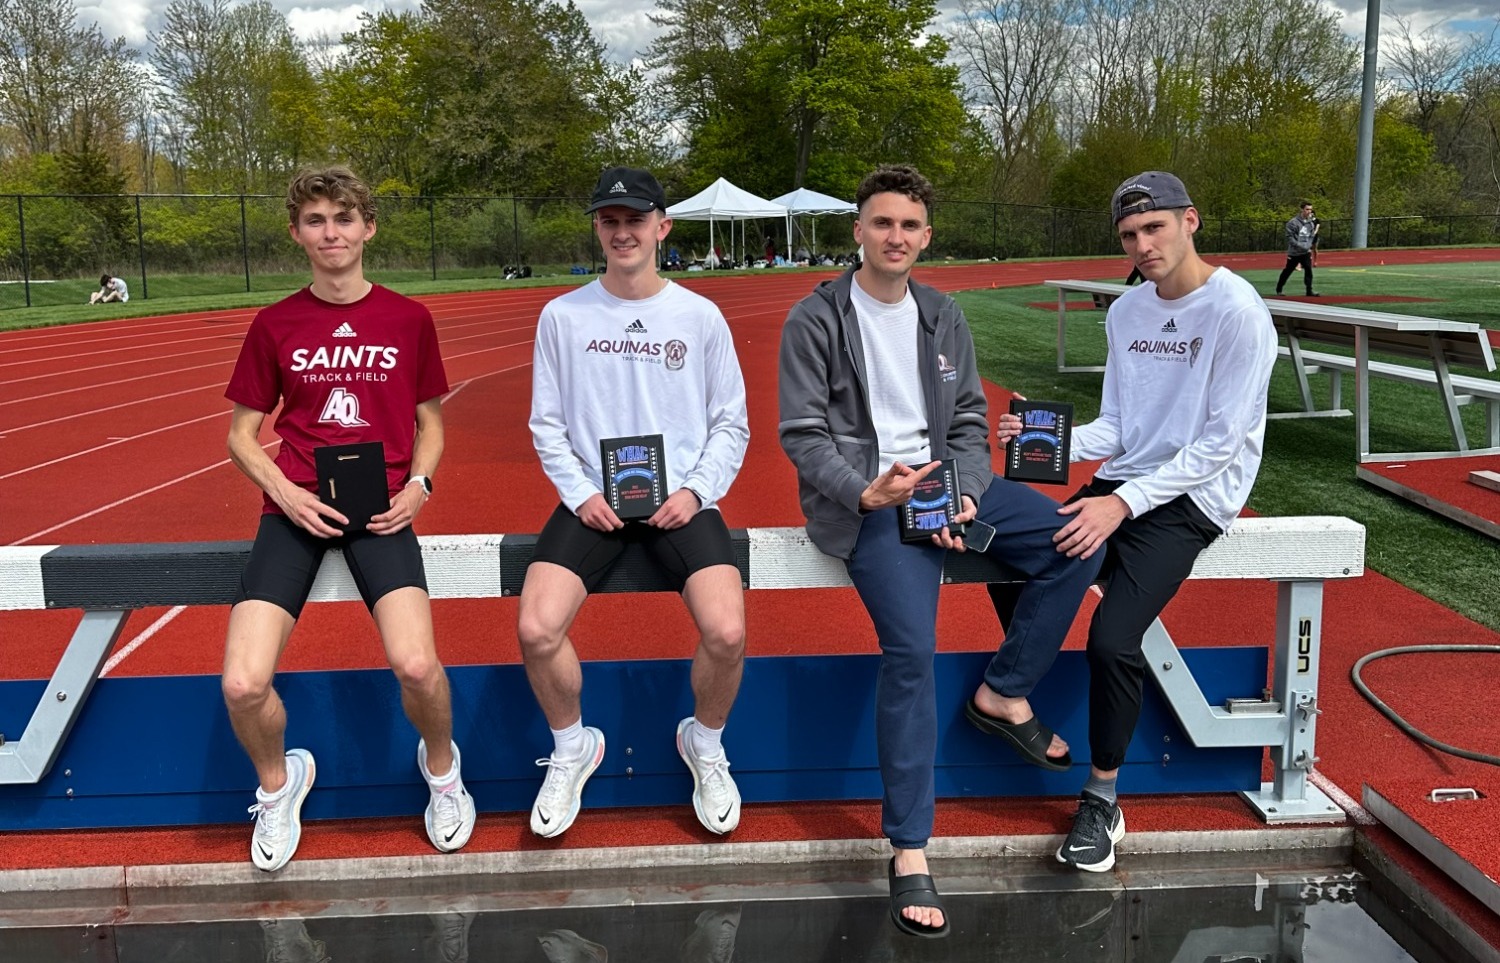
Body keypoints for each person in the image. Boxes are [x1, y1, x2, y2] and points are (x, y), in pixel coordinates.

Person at [777, 164, 1100, 939]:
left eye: (910, 226)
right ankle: (910, 849)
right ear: (857, 230)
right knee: (912, 652)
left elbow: (965, 419)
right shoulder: (814, 320)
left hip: (945, 486)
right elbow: (803, 433)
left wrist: (960, 490)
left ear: (927, 235)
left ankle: (1004, 689)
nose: (896, 237)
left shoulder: (941, 312)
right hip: (870, 503)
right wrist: (866, 491)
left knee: (1077, 536)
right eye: (882, 222)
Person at [989, 171, 1276, 873]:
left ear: (1191, 220)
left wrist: (1121, 504)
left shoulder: (1238, 311)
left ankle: (1102, 797)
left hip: (1195, 495)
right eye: (1129, 235)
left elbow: (1219, 444)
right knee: (1007, 559)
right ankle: (1014, 695)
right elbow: (1119, 426)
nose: (1143, 245)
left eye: (1155, 228)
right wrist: (1041, 438)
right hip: (1130, 479)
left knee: (1114, 639)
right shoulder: (1127, 312)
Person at [222, 166, 475, 872]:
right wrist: (287, 492)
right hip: (294, 509)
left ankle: (442, 770)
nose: (330, 232)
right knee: (242, 683)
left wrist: (421, 484)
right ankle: (279, 783)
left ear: (368, 227)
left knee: (418, 665)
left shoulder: (407, 319)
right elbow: (242, 436)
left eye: (343, 217)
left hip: (383, 513)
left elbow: (431, 424)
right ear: (297, 233)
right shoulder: (274, 324)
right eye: (315, 220)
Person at [519, 166, 750, 840]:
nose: (623, 231)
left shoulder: (699, 316)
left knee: (728, 631)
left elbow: (731, 423)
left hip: (681, 500)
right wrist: (582, 494)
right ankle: (572, 747)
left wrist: (695, 491)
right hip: (594, 501)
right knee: (536, 628)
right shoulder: (563, 315)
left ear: (662, 226)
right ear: (597, 227)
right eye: (609, 220)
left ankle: (703, 742)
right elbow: (547, 423)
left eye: (635, 219)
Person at [1275, 201, 1319, 296]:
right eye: (1307, 209)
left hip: (1305, 252)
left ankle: (1309, 290)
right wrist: (1299, 245)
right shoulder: (1293, 222)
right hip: (1294, 252)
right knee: (1288, 270)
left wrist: (1308, 245)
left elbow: (1311, 235)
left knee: (1308, 269)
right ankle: (1279, 289)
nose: (1309, 211)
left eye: (1310, 209)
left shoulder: (1310, 223)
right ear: (1302, 210)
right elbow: (1289, 237)